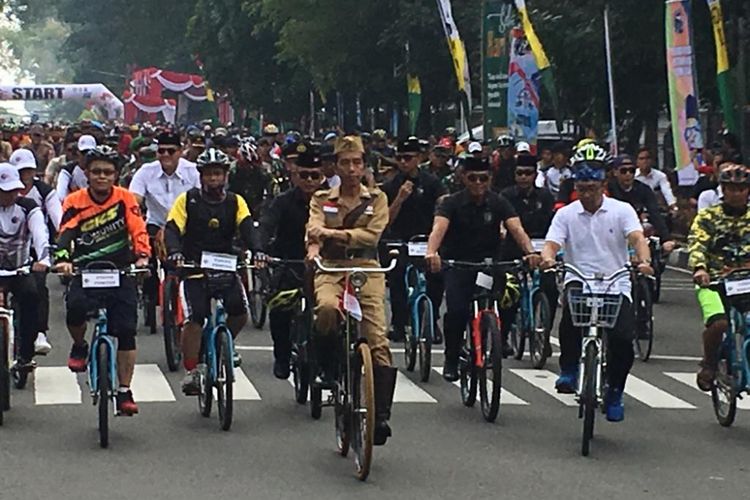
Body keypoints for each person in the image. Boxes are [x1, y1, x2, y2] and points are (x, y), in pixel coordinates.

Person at [540, 159, 653, 422]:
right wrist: (548, 257)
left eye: (592, 188)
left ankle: (615, 391)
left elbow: (637, 238)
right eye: (581, 189)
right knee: (570, 317)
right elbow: (552, 244)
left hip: (616, 281)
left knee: (623, 340)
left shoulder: (621, 210)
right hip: (580, 277)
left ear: (603, 186)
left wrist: (643, 260)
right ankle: (568, 368)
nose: (587, 194)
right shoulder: (566, 214)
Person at [306, 135, 396, 446]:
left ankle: (380, 415)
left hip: (367, 268)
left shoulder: (377, 199)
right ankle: (328, 369)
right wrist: (315, 248)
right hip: (331, 267)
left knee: (378, 339)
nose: (351, 168)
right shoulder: (321, 198)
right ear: (336, 165)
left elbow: (371, 235)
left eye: (357, 162)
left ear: (363, 165)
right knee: (327, 310)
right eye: (345, 162)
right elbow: (312, 230)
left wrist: (332, 233)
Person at [425, 156, 541, 381]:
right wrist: (432, 252)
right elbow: (438, 229)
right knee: (456, 311)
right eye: (472, 178)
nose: (478, 183)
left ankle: (500, 339)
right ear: (463, 178)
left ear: (490, 179)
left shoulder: (498, 202)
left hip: (489, 266)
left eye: (483, 178)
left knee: (511, 295)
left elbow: (516, 228)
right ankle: (451, 357)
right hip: (458, 264)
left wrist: (530, 253)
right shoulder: (451, 203)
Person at [54, 146, 150, 416]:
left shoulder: (125, 198)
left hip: (119, 270)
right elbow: (65, 232)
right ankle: (80, 346)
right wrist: (63, 258)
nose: (101, 177)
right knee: (75, 308)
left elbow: (138, 228)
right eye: (96, 172)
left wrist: (142, 257)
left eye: (107, 172)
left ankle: (124, 390)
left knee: (127, 330)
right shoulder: (75, 200)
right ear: (87, 174)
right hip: (86, 270)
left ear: (116, 175)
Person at [164, 148, 255, 395]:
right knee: (195, 318)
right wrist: (174, 252)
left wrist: (258, 251)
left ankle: (224, 344)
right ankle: (192, 370)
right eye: (208, 175)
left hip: (226, 265)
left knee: (240, 312)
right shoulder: (188, 200)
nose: (213, 179)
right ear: (201, 176)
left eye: (218, 174)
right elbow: (172, 228)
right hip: (194, 268)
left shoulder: (236, 201)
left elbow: (248, 229)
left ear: (225, 175)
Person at [257, 146, 323, 378]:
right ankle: (282, 355)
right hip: (288, 262)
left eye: (315, 175)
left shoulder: (332, 200)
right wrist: (260, 251)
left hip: (324, 266)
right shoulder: (282, 201)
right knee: (279, 307)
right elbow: (266, 226)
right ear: (295, 175)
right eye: (304, 175)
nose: (309, 180)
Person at [688, 163, 750, 391]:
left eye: (742, 188)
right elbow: (697, 244)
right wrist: (700, 269)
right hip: (714, 281)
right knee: (719, 323)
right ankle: (710, 364)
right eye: (731, 188)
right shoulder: (708, 217)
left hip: (747, 280)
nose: (737, 193)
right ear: (723, 189)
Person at [129, 131, 200, 325]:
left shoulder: (193, 171)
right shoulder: (145, 171)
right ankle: (150, 292)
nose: (166, 155)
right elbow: (134, 201)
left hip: (186, 227)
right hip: (155, 224)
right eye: (161, 151)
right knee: (147, 263)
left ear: (180, 151)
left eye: (171, 151)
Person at [383, 138, 447, 343]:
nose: (404, 162)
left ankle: (432, 319)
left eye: (408, 158)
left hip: (426, 240)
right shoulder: (391, 185)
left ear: (418, 159)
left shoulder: (432, 182)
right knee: (397, 277)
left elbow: (442, 207)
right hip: (399, 240)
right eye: (400, 158)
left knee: (436, 276)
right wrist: (400, 198)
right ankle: (399, 323)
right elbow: (386, 220)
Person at [500, 155, 558, 355]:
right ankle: (503, 336)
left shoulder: (546, 196)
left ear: (535, 174)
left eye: (528, 173)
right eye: (519, 173)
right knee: (510, 292)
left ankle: (544, 333)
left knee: (550, 288)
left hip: (542, 248)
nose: (524, 177)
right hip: (513, 249)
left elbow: (553, 224)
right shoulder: (506, 196)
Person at [9, 149, 62, 355]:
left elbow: (56, 219)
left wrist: (50, 252)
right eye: (20, 171)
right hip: (6, 248)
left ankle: (40, 332)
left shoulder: (43, 192)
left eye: (28, 171)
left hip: (34, 246)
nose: (24, 176)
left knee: (37, 285)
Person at [0, 162, 50, 373]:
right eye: (4, 191)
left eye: (13, 190)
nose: (10, 195)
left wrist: (44, 259)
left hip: (20, 269)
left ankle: (26, 354)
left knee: (31, 295)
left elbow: (40, 233)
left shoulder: (28, 207)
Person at [607, 154, 675, 250]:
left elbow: (655, 213)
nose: (628, 174)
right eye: (623, 171)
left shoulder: (644, 189)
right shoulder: (608, 188)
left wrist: (666, 239)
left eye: (631, 171)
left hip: (635, 230)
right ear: (615, 172)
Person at [229, 140, 275, 219]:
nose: (250, 167)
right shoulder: (231, 170)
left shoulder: (263, 171)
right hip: (235, 205)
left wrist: (264, 207)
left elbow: (271, 192)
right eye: (246, 164)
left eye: (252, 164)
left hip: (257, 207)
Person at [635, 147, 678, 212]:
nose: (645, 161)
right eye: (641, 159)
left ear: (652, 160)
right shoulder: (632, 176)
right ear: (637, 162)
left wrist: (673, 206)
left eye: (647, 158)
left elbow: (667, 192)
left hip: (655, 209)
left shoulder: (660, 176)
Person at [56, 134, 95, 201]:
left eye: (90, 153)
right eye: (84, 152)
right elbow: (60, 195)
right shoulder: (68, 170)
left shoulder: (99, 171)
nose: (87, 155)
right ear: (78, 152)